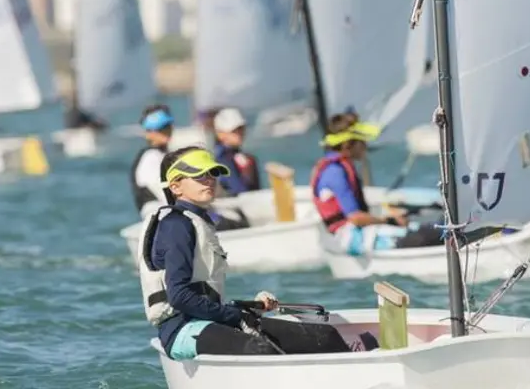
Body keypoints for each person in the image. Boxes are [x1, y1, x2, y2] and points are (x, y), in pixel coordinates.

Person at [137, 146, 357, 358]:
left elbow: (204, 296)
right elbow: (179, 297)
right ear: (176, 187)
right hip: (182, 329)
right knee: (261, 351)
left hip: (210, 320)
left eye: (212, 173)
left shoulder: (198, 221)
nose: (210, 180)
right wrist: (234, 316)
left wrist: (246, 308)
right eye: (199, 175)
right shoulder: (176, 226)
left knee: (325, 337)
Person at [310, 113, 445, 255]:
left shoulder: (334, 168)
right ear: (347, 145)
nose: (365, 146)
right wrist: (388, 220)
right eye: (361, 141)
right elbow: (355, 218)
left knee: (428, 230)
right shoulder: (336, 172)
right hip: (353, 238)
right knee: (430, 235)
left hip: (358, 234)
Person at [130, 105, 174, 218]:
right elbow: (162, 192)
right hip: (158, 213)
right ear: (148, 133)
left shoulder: (165, 155)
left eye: (167, 126)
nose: (166, 131)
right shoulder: (150, 157)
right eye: (159, 129)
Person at [212, 108, 261, 196]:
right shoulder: (221, 158)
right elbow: (238, 189)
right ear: (220, 133)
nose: (239, 133)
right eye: (234, 131)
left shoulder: (242, 157)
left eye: (241, 129)